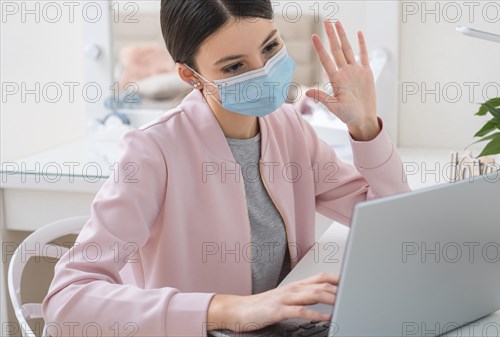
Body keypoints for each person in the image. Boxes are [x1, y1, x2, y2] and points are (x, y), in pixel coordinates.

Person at [41, 1, 411, 336]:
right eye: (234, 66)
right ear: (191, 76)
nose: (264, 72)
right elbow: (66, 302)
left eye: (270, 47)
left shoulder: (290, 127)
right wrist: (225, 309)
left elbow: (389, 219)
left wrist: (365, 126)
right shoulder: (152, 151)